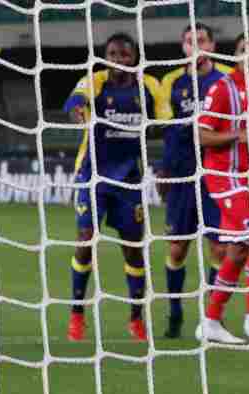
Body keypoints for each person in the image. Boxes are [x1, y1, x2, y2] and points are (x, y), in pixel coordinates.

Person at [64, 33, 170, 342]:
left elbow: (166, 120)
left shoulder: (149, 85)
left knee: (134, 250)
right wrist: (80, 114)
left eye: (125, 54)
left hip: (129, 181)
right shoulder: (95, 80)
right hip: (92, 175)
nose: (119, 60)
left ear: (134, 57)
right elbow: (74, 101)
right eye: (113, 54)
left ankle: (136, 318)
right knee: (85, 241)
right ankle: (76, 314)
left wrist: (159, 134)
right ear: (105, 56)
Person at [155, 23, 232, 338]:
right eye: (190, 41)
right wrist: (164, 169)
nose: (196, 46)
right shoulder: (171, 81)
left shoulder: (227, 77)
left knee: (219, 248)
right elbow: (166, 129)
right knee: (177, 249)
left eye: (201, 40)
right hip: (183, 175)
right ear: (183, 47)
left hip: (218, 172)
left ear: (212, 45)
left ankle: (214, 320)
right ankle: (174, 313)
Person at [195, 33, 249, 343]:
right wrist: (237, 135)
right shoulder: (223, 88)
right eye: (246, 50)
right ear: (237, 55)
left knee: (239, 250)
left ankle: (212, 320)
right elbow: (202, 136)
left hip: (248, 177)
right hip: (224, 177)